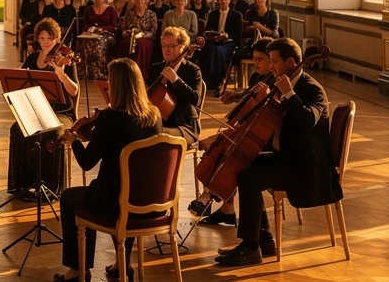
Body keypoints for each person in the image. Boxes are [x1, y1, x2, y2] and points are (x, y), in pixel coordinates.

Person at [216, 38, 342, 267]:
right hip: (288, 158)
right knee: (244, 166)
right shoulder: (279, 85)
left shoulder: (311, 88)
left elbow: (309, 120)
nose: (271, 66)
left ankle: (251, 246)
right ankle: (262, 240)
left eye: (274, 61)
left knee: (249, 177)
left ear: (291, 62)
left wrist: (289, 94)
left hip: (305, 166)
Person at [52, 58, 162, 282]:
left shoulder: (111, 118)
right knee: (124, 190)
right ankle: (122, 264)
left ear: (117, 86)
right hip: (147, 201)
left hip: (114, 203)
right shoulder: (154, 115)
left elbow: (87, 162)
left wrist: (74, 140)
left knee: (70, 198)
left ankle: (77, 269)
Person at [189, 37, 274, 225]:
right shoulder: (257, 77)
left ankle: (208, 196)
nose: (256, 63)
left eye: (261, 59)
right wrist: (235, 97)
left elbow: (266, 110)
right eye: (255, 58)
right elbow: (251, 100)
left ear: (272, 60)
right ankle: (227, 210)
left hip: (264, 137)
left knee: (227, 156)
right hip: (246, 133)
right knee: (214, 149)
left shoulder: (277, 82)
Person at [7, 18, 79, 197]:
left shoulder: (65, 60)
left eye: (50, 38)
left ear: (57, 38)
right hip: (36, 110)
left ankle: (49, 186)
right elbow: (21, 81)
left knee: (52, 133)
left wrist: (61, 75)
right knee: (17, 129)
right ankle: (25, 183)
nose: (46, 42)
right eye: (42, 38)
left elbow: (75, 90)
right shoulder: (32, 58)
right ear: (37, 39)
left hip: (61, 112)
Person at [146, 27, 203, 146]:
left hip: (184, 126)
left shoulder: (192, 70)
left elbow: (196, 99)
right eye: (164, 46)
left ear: (183, 47)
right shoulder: (156, 68)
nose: (166, 50)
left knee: (154, 134)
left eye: (171, 46)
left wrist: (176, 80)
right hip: (160, 122)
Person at [197, 0, 244, 91]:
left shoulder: (237, 15)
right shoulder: (212, 14)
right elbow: (207, 31)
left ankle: (214, 80)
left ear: (229, 0)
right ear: (218, 1)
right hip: (214, 42)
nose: (222, 1)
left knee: (215, 51)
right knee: (209, 50)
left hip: (229, 44)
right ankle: (211, 80)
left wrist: (226, 36)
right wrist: (213, 36)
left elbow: (238, 35)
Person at [80, 0, 118, 79]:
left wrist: (101, 29)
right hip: (91, 34)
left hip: (107, 35)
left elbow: (113, 26)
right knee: (84, 43)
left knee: (99, 43)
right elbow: (85, 25)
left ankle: (101, 71)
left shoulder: (111, 10)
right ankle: (88, 71)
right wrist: (90, 29)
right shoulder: (89, 10)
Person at [119, 0, 158, 79]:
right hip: (131, 36)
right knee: (123, 44)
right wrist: (129, 32)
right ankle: (125, 74)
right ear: (135, 1)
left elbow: (153, 31)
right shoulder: (130, 13)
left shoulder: (151, 14)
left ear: (145, 1)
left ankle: (138, 74)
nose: (140, 1)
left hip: (146, 38)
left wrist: (143, 34)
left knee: (141, 44)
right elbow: (123, 28)